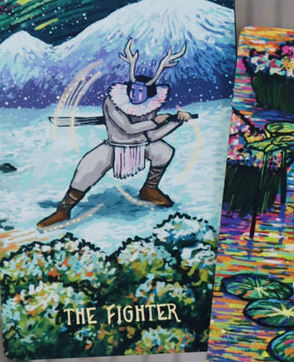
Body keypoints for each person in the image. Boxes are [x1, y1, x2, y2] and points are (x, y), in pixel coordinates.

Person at [38, 38, 190, 228]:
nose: (135, 95)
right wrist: (155, 122)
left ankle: (149, 190)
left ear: (149, 94)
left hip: (140, 145)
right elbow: (128, 129)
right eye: (133, 90)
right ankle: (63, 210)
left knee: (164, 151)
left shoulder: (151, 106)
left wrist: (176, 121)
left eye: (141, 91)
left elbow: (151, 136)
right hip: (114, 145)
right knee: (86, 170)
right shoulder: (113, 102)